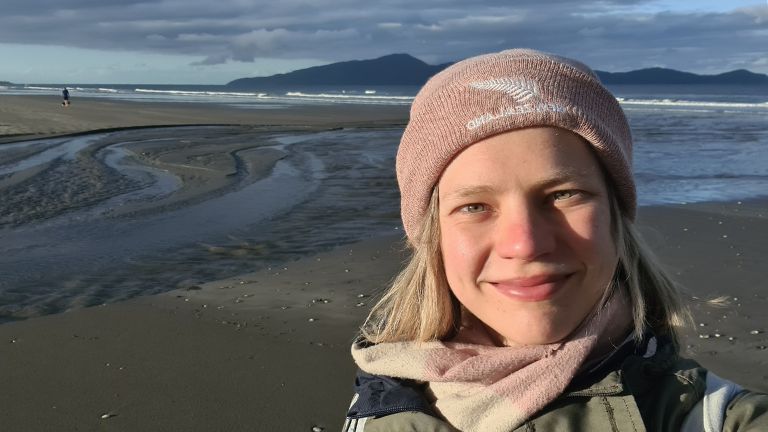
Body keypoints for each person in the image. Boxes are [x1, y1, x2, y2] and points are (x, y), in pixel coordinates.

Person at [342, 49, 768, 432]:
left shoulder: (710, 418)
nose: (525, 244)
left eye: (564, 195)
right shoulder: (380, 409)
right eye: (474, 206)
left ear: (615, 218)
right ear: (431, 237)